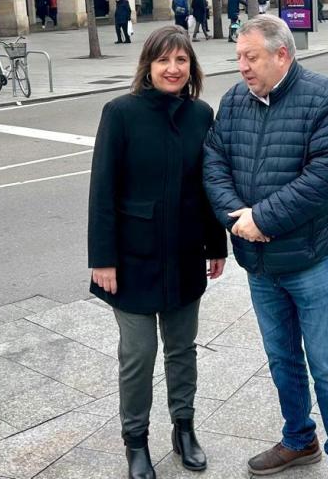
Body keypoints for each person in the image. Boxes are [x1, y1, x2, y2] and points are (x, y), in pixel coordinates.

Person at [203, 15, 328, 479]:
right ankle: (299, 438)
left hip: (311, 257)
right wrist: (239, 218)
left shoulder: (324, 98)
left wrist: (262, 219)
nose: (243, 68)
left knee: (326, 362)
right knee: (282, 357)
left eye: (251, 57)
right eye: (238, 58)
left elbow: (323, 179)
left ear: (282, 55)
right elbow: (214, 164)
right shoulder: (234, 101)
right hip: (260, 261)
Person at [89, 25, 227, 479]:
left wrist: (216, 243)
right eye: (163, 60)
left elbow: (209, 188)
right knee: (139, 353)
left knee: (182, 349)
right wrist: (102, 258)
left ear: (192, 67)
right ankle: (136, 442)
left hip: (186, 252)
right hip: (131, 259)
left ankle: (183, 429)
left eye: (181, 60)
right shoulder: (121, 113)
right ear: (147, 67)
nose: (173, 68)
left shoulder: (201, 115)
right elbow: (102, 190)